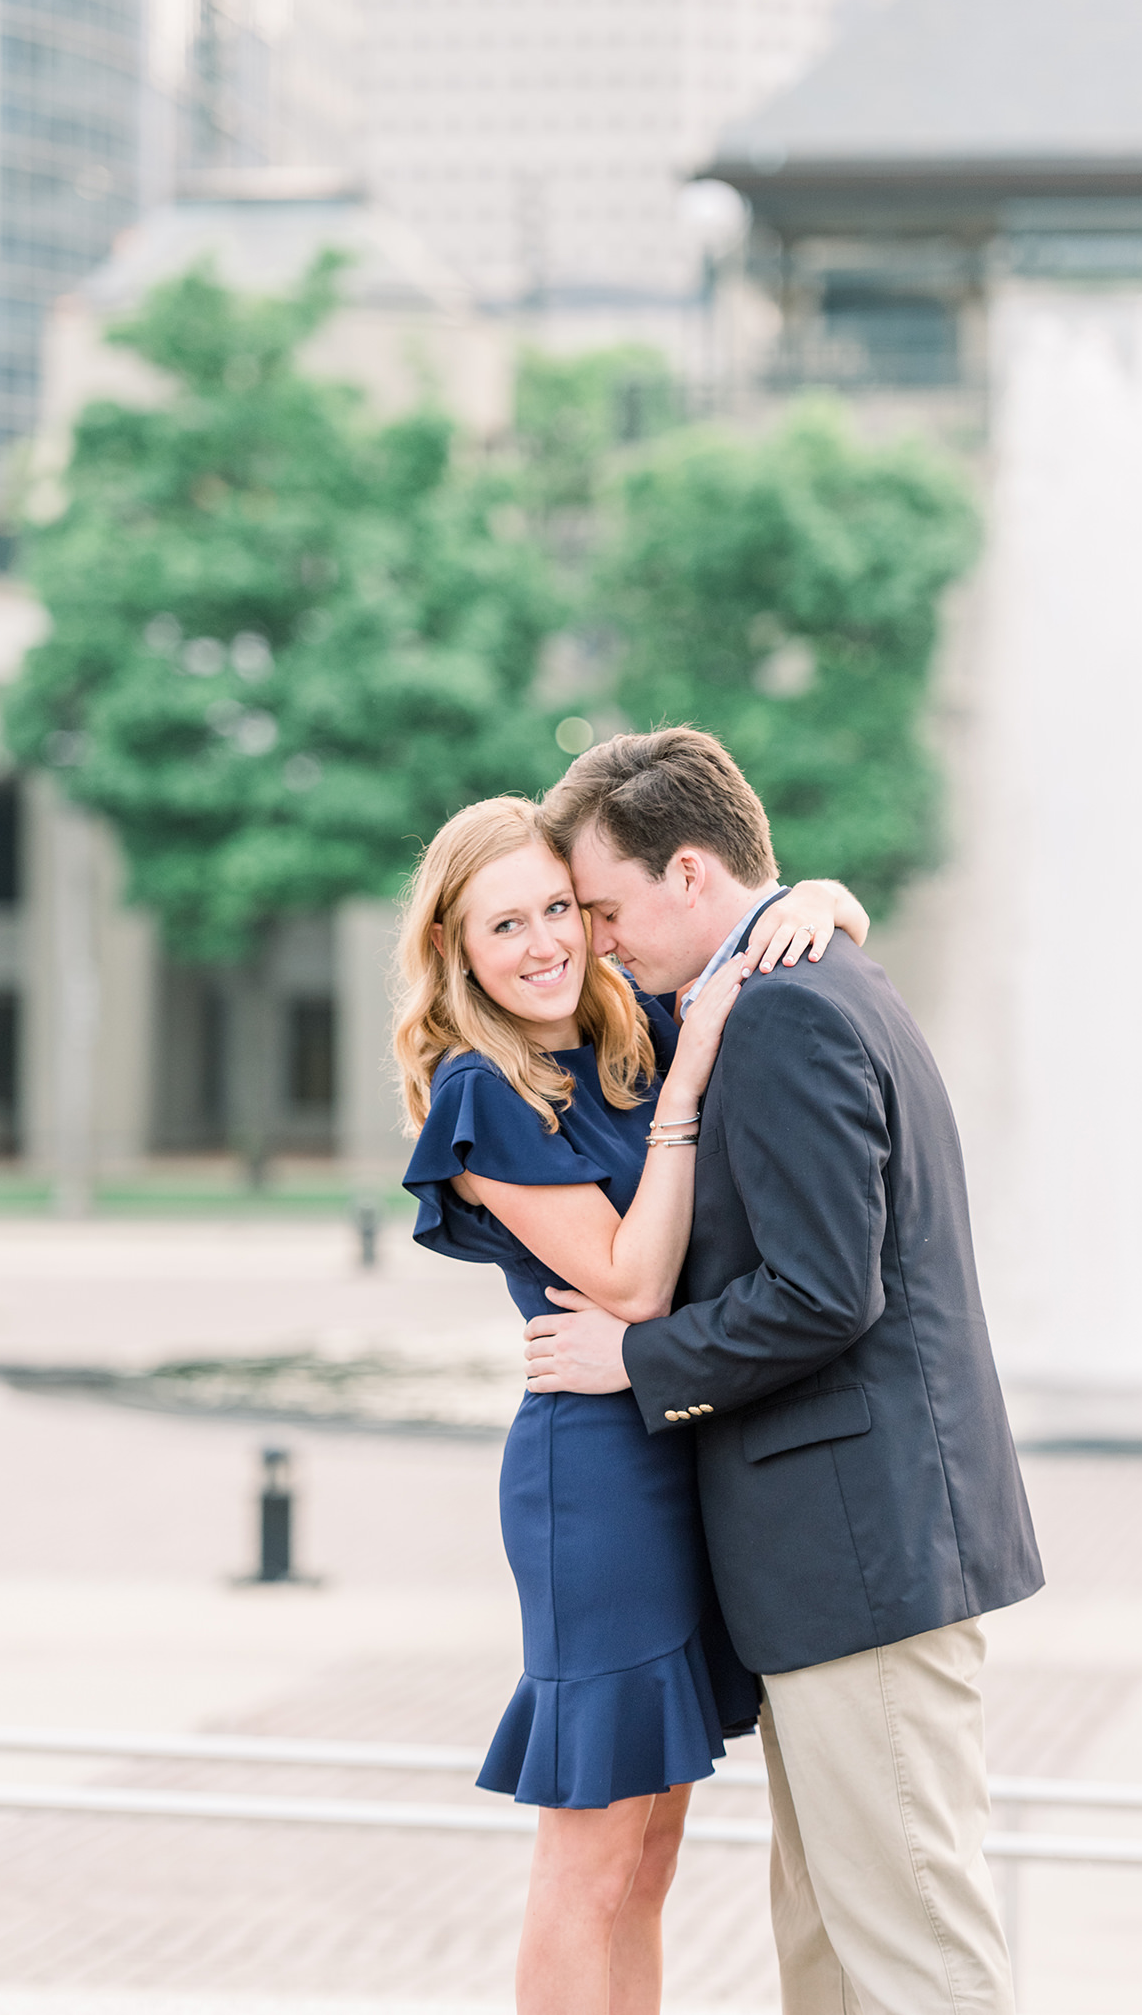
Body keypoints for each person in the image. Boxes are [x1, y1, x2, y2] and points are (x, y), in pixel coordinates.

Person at [530, 727, 1045, 2015]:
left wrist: (633, 1358)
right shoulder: (796, 979)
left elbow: (825, 1293)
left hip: (860, 1565)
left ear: (691, 872)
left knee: (916, 1959)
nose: (596, 941)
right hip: (846, 1568)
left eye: (603, 907)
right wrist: (819, 896)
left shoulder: (787, 1009)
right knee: (830, 1958)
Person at [393, 794, 869, 2015]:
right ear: (453, 947)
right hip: (594, 1483)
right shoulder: (484, 1092)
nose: (548, 942)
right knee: (590, 1859)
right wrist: (687, 1082)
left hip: (678, 1455)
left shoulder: (623, 1028)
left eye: (561, 907)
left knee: (651, 1860)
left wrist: (815, 902)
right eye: (508, 924)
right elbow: (634, 1282)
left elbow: (794, 917)